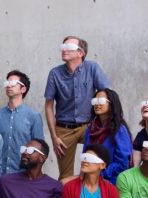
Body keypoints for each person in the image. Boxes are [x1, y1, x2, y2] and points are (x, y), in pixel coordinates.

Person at [44, 35, 111, 180]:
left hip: (89, 126)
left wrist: (102, 122)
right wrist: (54, 136)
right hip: (64, 129)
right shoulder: (55, 73)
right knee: (65, 175)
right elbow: (49, 106)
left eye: (69, 47)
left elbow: (106, 93)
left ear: (81, 53)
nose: (64, 50)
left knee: (93, 168)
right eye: (63, 47)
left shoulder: (92, 68)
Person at [0, 70, 45, 175]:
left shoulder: (33, 116)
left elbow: (38, 150)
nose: (9, 86)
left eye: (13, 84)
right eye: (7, 83)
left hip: (23, 175)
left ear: (23, 89)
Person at [79, 89, 132, 184]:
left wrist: (101, 174)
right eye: (95, 101)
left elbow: (123, 163)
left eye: (101, 101)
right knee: (64, 184)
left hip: (111, 179)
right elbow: (85, 155)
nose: (97, 104)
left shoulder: (119, 129)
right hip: (90, 177)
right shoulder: (90, 129)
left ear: (111, 104)